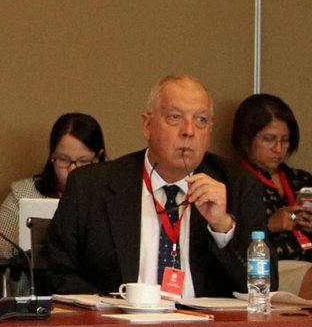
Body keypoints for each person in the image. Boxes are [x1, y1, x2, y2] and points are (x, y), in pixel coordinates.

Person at [48, 75, 270, 297]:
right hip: (120, 316)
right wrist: (107, 307)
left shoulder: (239, 186)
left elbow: (263, 288)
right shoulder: (90, 187)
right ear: (147, 126)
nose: (189, 131)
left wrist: (223, 227)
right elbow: (54, 273)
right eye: (175, 117)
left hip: (203, 319)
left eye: (201, 120)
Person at [0, 113, 106, 293]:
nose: (72, 170)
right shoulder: (25, 193)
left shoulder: (112, 198)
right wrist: (30, 244)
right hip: (36, 297)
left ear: (99, 157)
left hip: (98, 296)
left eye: (83, 161)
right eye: (63, 160)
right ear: (52, 156)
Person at [231, 93, 312, 298]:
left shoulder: (301, 179)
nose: (278, 149)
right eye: (269, 140)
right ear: (246, 138)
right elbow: (227, 242)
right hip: (268, 269)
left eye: (285, 141)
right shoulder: (234, 182)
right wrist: (269, 226)